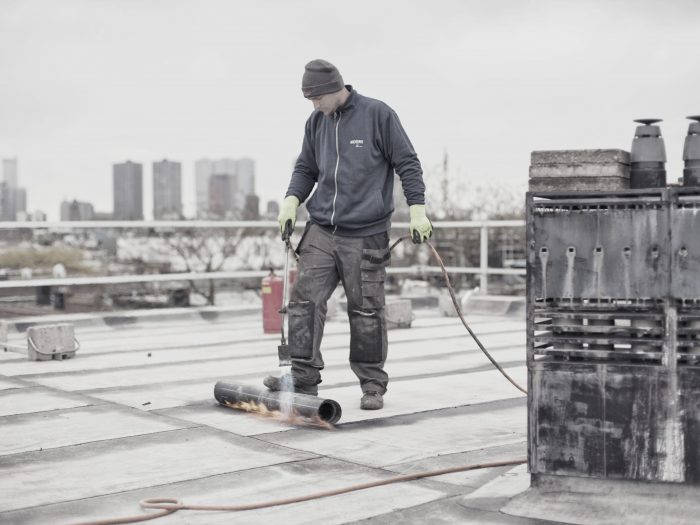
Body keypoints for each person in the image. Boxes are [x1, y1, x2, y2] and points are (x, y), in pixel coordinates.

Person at [264, 59, 432, 410]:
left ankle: (372, 384)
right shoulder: (316, 122)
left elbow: (408, 163)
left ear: (333, 89)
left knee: (366, 310)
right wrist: (291, 201)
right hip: (322, 229)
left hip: (366, 234)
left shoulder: (378, 115)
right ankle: (303, 377)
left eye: (316, 98)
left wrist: (417, 209)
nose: (314, 106)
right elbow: (306, 167)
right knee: (303, 302)